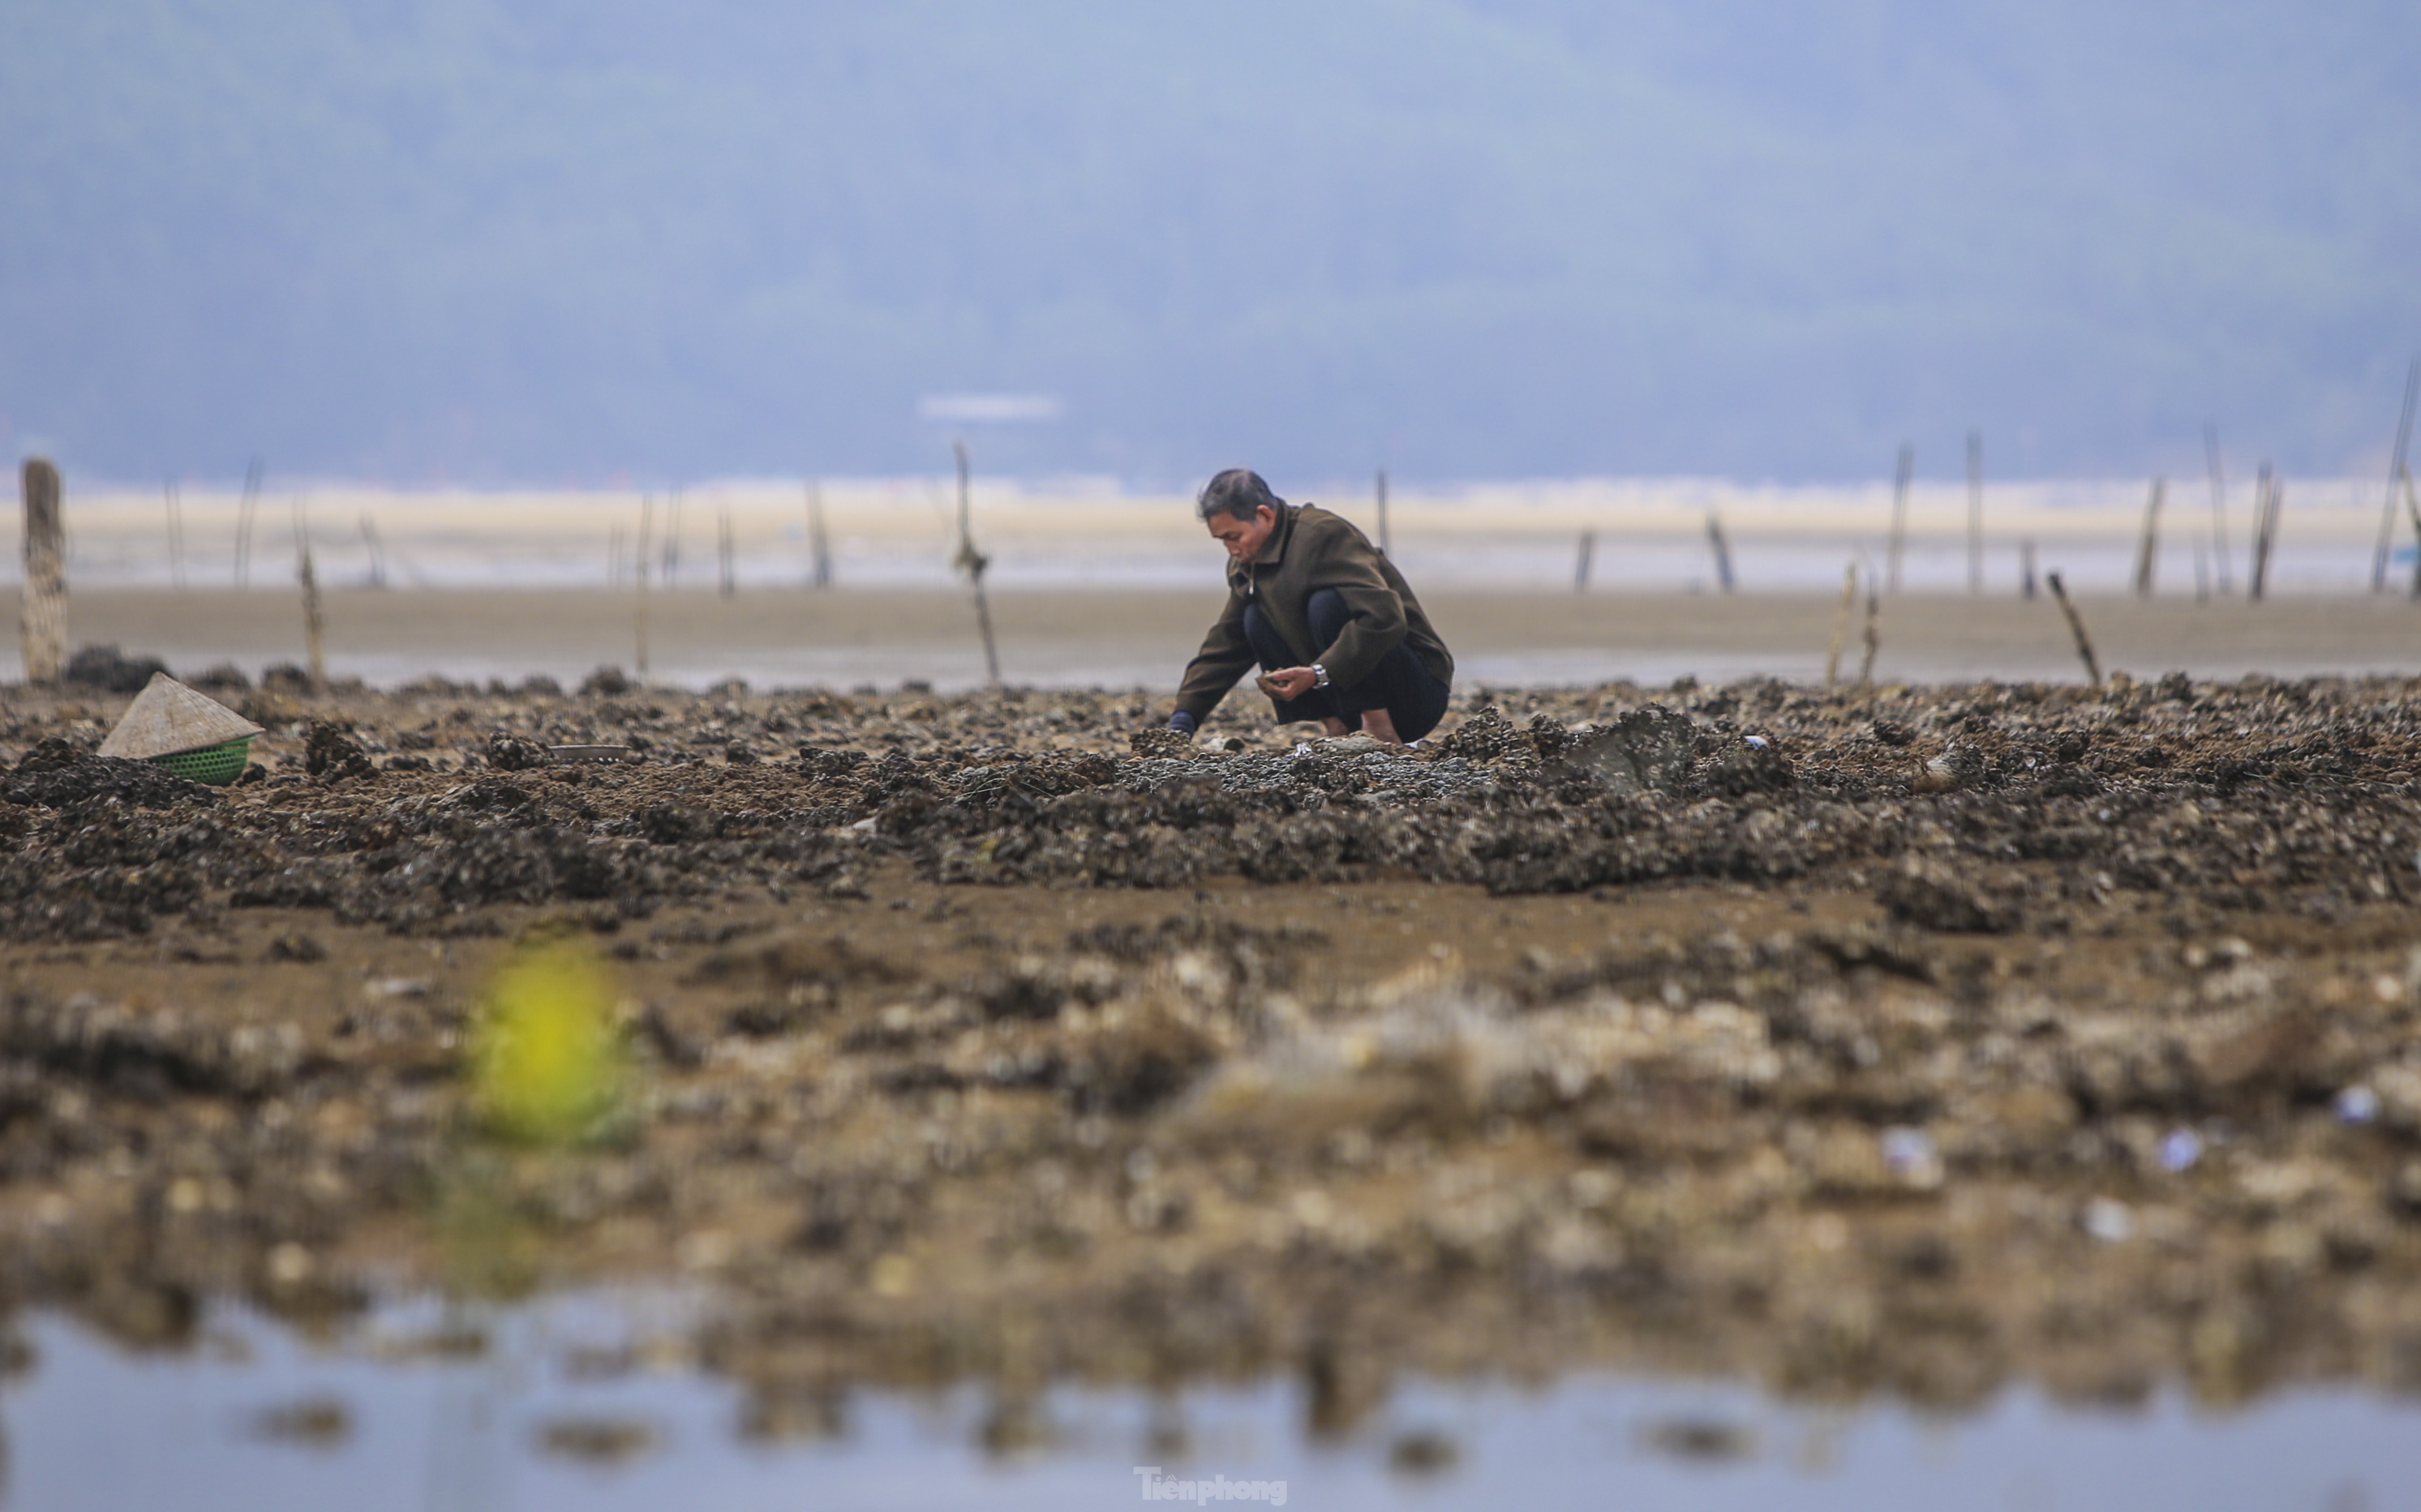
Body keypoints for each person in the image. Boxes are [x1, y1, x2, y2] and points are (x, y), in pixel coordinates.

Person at [1167, 469, 1454, 745]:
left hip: (1416, 693)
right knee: (1254, 618)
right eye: (1223, 541)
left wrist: (1319, 673)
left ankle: (1380, 728)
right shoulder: (1247, 566)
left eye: (1235, 536)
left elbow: (1385, 619)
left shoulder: (1322, 536)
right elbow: (1226, 646)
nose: (1232, 550)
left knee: (1327, 606)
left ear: (1264, 515)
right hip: (1343, 700)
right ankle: (1337, 726)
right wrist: (1184, 718)